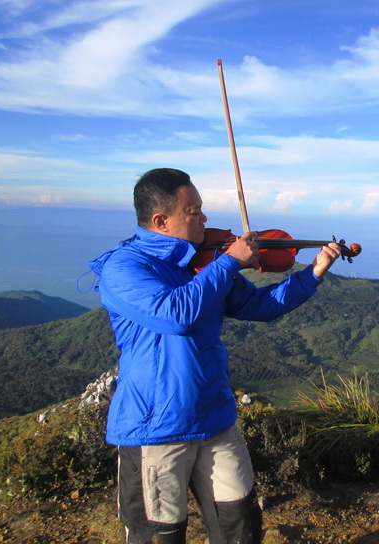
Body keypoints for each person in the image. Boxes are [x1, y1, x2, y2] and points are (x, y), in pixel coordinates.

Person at [88, 168, 341, 544]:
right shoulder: (125, 267)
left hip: (215, 418)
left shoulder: (203, 263)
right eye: (194, 212)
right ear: (161, 220)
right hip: (155, 429)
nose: (205, 219)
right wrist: (228, 263)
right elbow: (175, 314)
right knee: (160, 536)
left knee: (240, 525)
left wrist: (313, 273)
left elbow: (260, 305)